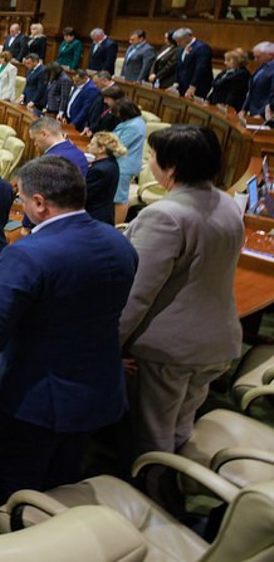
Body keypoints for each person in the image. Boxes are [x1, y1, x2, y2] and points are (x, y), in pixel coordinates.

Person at [0, 156, 137, 502]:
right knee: (64, 480)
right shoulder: (119, 242)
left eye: (20, 198)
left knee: (21, 491)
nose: (19, 205)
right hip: (98, 388)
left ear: (39, 203)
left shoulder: (28, 254)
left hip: (39, 398)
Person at [120, 125, 244, 458]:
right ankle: (177, 485)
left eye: (154, 157)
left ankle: (157, 500)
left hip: (169, 350)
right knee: (179, 427)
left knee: (153, 438)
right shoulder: (228, 203)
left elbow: (137, 294)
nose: (150, 163)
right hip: (216, 341)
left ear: (171, 168)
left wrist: (110, 345)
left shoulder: (164, 215)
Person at [111, 99, 146, 224]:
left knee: (120, 199)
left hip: (124, 166)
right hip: (120, 163)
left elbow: (118, 145)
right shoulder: (131, 122)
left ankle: (117, 226)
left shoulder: (135, 126)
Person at [84, 132, 123, 225]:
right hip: (106, 212)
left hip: (94, 216)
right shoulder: (112, 162)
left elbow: (84, 195)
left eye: (92, 144)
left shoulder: (98, 170)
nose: (88, 145)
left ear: (101, 149)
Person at [174, 27, 213, 99]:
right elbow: (179, 66)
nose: (178, 44)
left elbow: (201, 69)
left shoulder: (202, 48)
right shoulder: (181, 49)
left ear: (188, 37)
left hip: (197, 87)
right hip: (183, 86)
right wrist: (176, 83)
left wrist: (193, 86)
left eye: (180, 41)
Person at [244, 42, 274, 117]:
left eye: (258, 57)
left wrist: (261, 113)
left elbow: (271, 95)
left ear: (271, 55)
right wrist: (244, 109)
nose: (255, 60)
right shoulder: (263, 66)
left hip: (264, 114)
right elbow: (252, 90)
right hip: (253, 110)